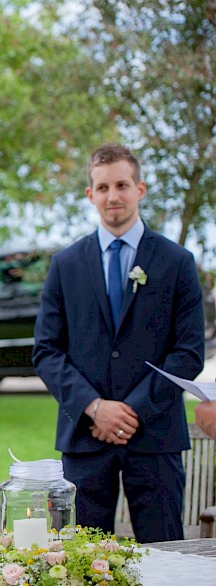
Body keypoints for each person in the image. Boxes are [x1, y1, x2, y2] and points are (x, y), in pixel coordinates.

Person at [33, 143, 206, 543]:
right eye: (103, 187)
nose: (113, 196)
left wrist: (131, 410)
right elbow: (46, 350)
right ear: (90, 194)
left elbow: (189, 351)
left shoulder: (177, 261)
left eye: (122, 185)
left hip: (155, 435)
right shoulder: (65, 264)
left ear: (140, 189)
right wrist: (95, 408)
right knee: (83, 556)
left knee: (164, 550)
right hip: (85, 436)